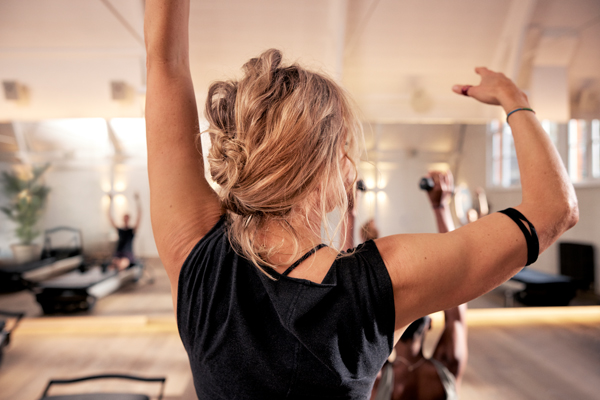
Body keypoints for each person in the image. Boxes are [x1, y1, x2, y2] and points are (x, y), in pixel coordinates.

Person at [144, 1, 578, 398]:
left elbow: (165, 63)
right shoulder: (382, 286)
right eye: (344, 148)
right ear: (323, 166)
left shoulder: (194, 257)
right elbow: (554, 209)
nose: (350, 162)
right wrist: (515, 100)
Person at [370, 171, 467, 400]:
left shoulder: (378, 377)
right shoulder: (447, 364)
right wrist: (440, 207)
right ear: (429, 325)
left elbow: (355, 303)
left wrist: (350, 214)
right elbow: (457, 309)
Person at [107, 192, 141, 270]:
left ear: (129, 219)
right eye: (124, 218)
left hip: (128, 254)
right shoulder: (120, 230)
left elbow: (139, 216)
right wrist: (110, 202)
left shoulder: (132, 231)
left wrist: (137, 201)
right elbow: (110, 217)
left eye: (127, 218)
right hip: (118, 253)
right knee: (113, 264)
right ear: (123, 219)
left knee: (123, 263)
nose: (126, 219)